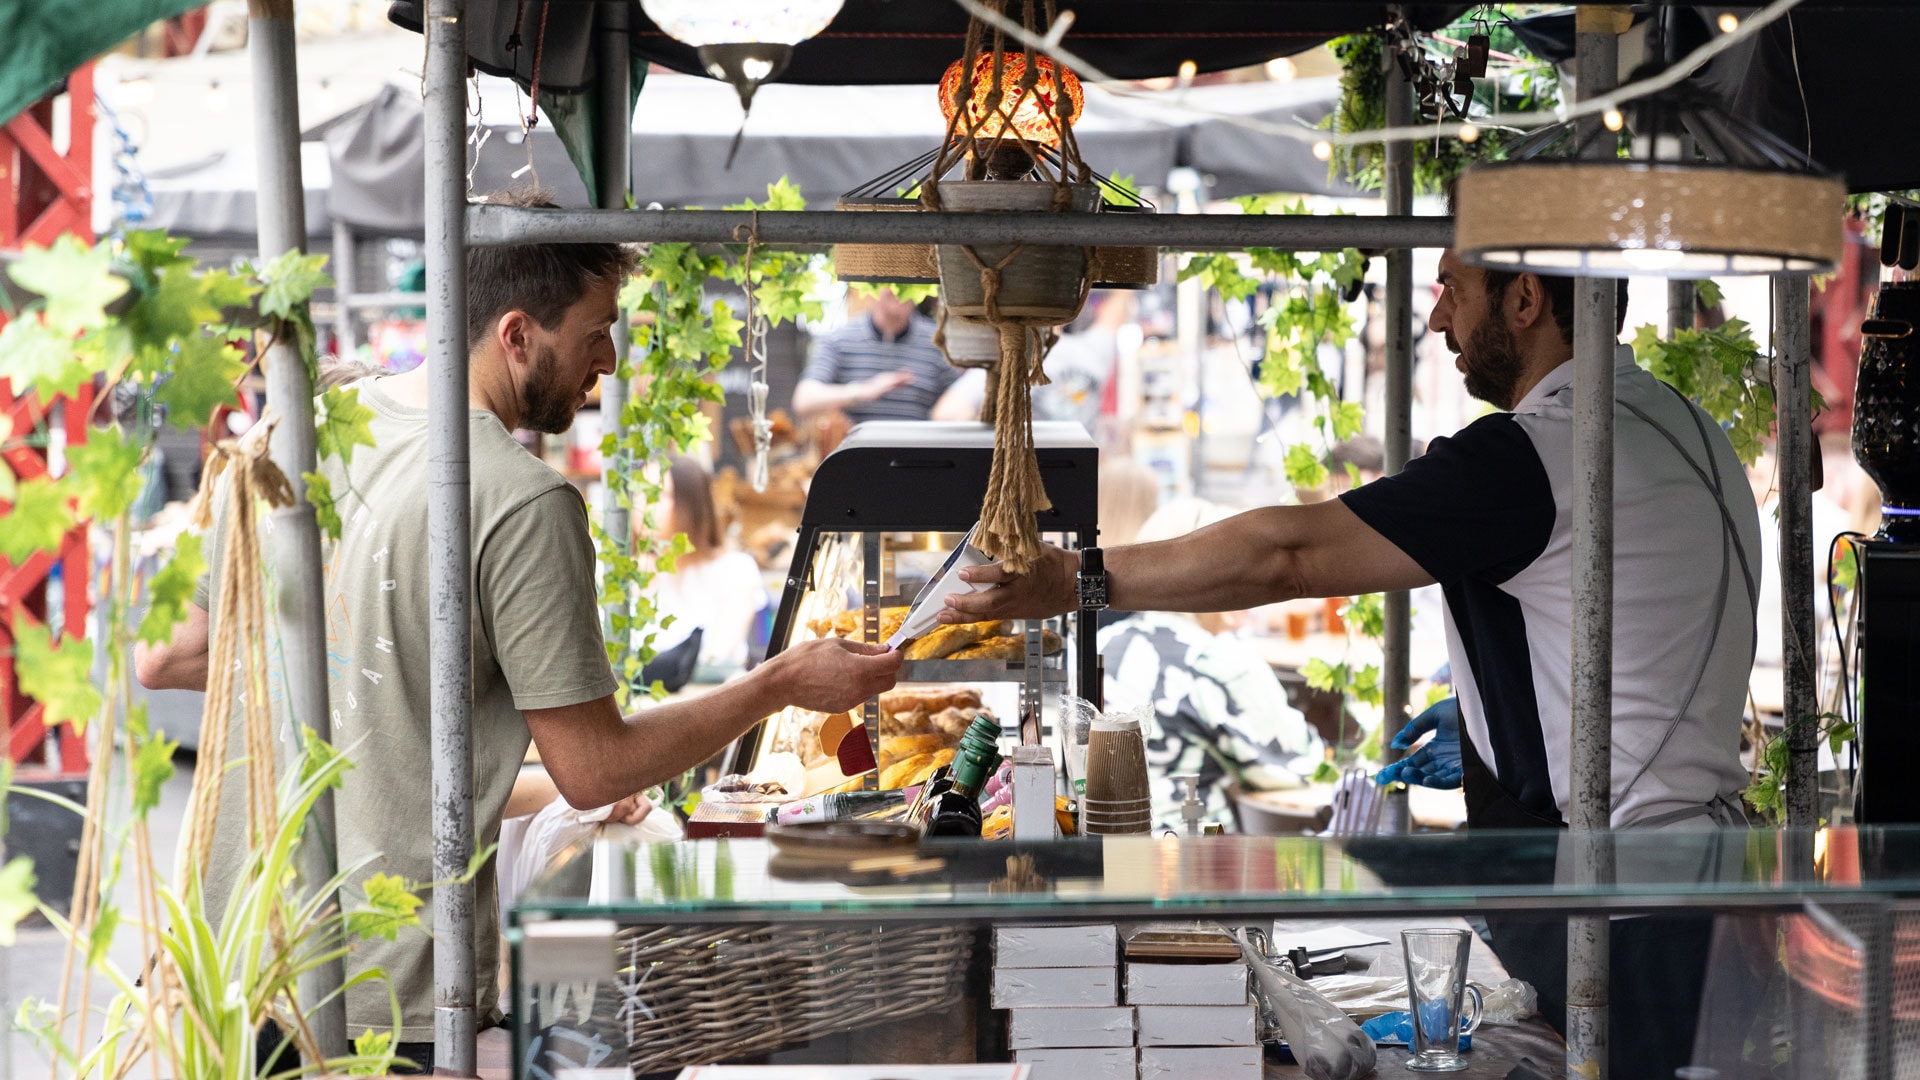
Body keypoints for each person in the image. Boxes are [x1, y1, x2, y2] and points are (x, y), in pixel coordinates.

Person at [940, 249, 1761, 1078]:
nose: (1438, 317)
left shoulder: (1535, 456)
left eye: (1453, 289)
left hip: (1622, 919)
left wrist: (1076, 578)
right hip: (1707, 895)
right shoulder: (1687, 428)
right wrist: (1491, 713)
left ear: (1524, 299)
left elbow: (1285, 556)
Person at [135, 189, 902, 1072]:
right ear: (516, 335)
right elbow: (594, 766)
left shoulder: (300, 433)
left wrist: (363, 673)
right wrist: (779, 683)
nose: (608, 358)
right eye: (595, 330)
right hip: (377, 985)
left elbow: (174, 656)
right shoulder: (521, 499)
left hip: (234, 947)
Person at [1097, 497, 1322, 829]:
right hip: (1190, 859)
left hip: (1103, 850)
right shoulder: (1215, 660)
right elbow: (1295, 767)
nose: (1259, 583)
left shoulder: (1105, 643)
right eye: (1244, 568)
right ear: (1204, 578)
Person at [642, 456, 773, 683]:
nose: (644, 505)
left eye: (659, 495)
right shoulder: (618, 572)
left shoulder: (734, 570)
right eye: (640, 492)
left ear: (691, 504)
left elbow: (717, 655)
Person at [793, 288, 959, 425]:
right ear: (870, 288)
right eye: (889, 282)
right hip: (856, 456)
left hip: (919, 457)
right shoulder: (839, 339)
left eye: (909, 281)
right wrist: (863, 390)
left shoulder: (937, 341)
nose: (899, 287)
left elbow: (960, 400)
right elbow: (804, 399)